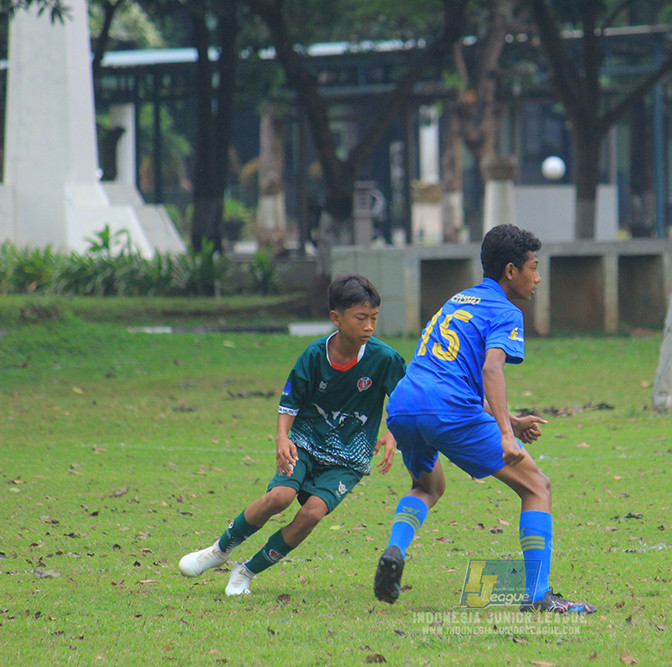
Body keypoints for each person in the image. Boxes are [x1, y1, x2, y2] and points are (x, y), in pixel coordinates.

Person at [372, 224, 596, 614]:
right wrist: (507, 435)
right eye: (533, 268)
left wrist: (508, 416)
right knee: (536, 488)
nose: (538, 278)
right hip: (448, 409)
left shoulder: (458, 300)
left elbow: (462, 374)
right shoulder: (506, 310)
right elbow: (492, 370)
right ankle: (539, 597)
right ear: (511, 271)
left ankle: (395, 548)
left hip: (405, 403)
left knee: (427, 486)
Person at [178, 274, 406, 596]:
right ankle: (218, 551)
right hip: (307, 442)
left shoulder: (385, 359)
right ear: (335, 319)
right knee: (279, 498)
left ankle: (246, 572)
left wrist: (393, 432)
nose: (369, 326)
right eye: (361, 318)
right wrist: (282, 437)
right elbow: (290, 402)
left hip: (349, 456)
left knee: (311, 514)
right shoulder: (314, 356)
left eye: (374, 318)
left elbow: (403, 402)